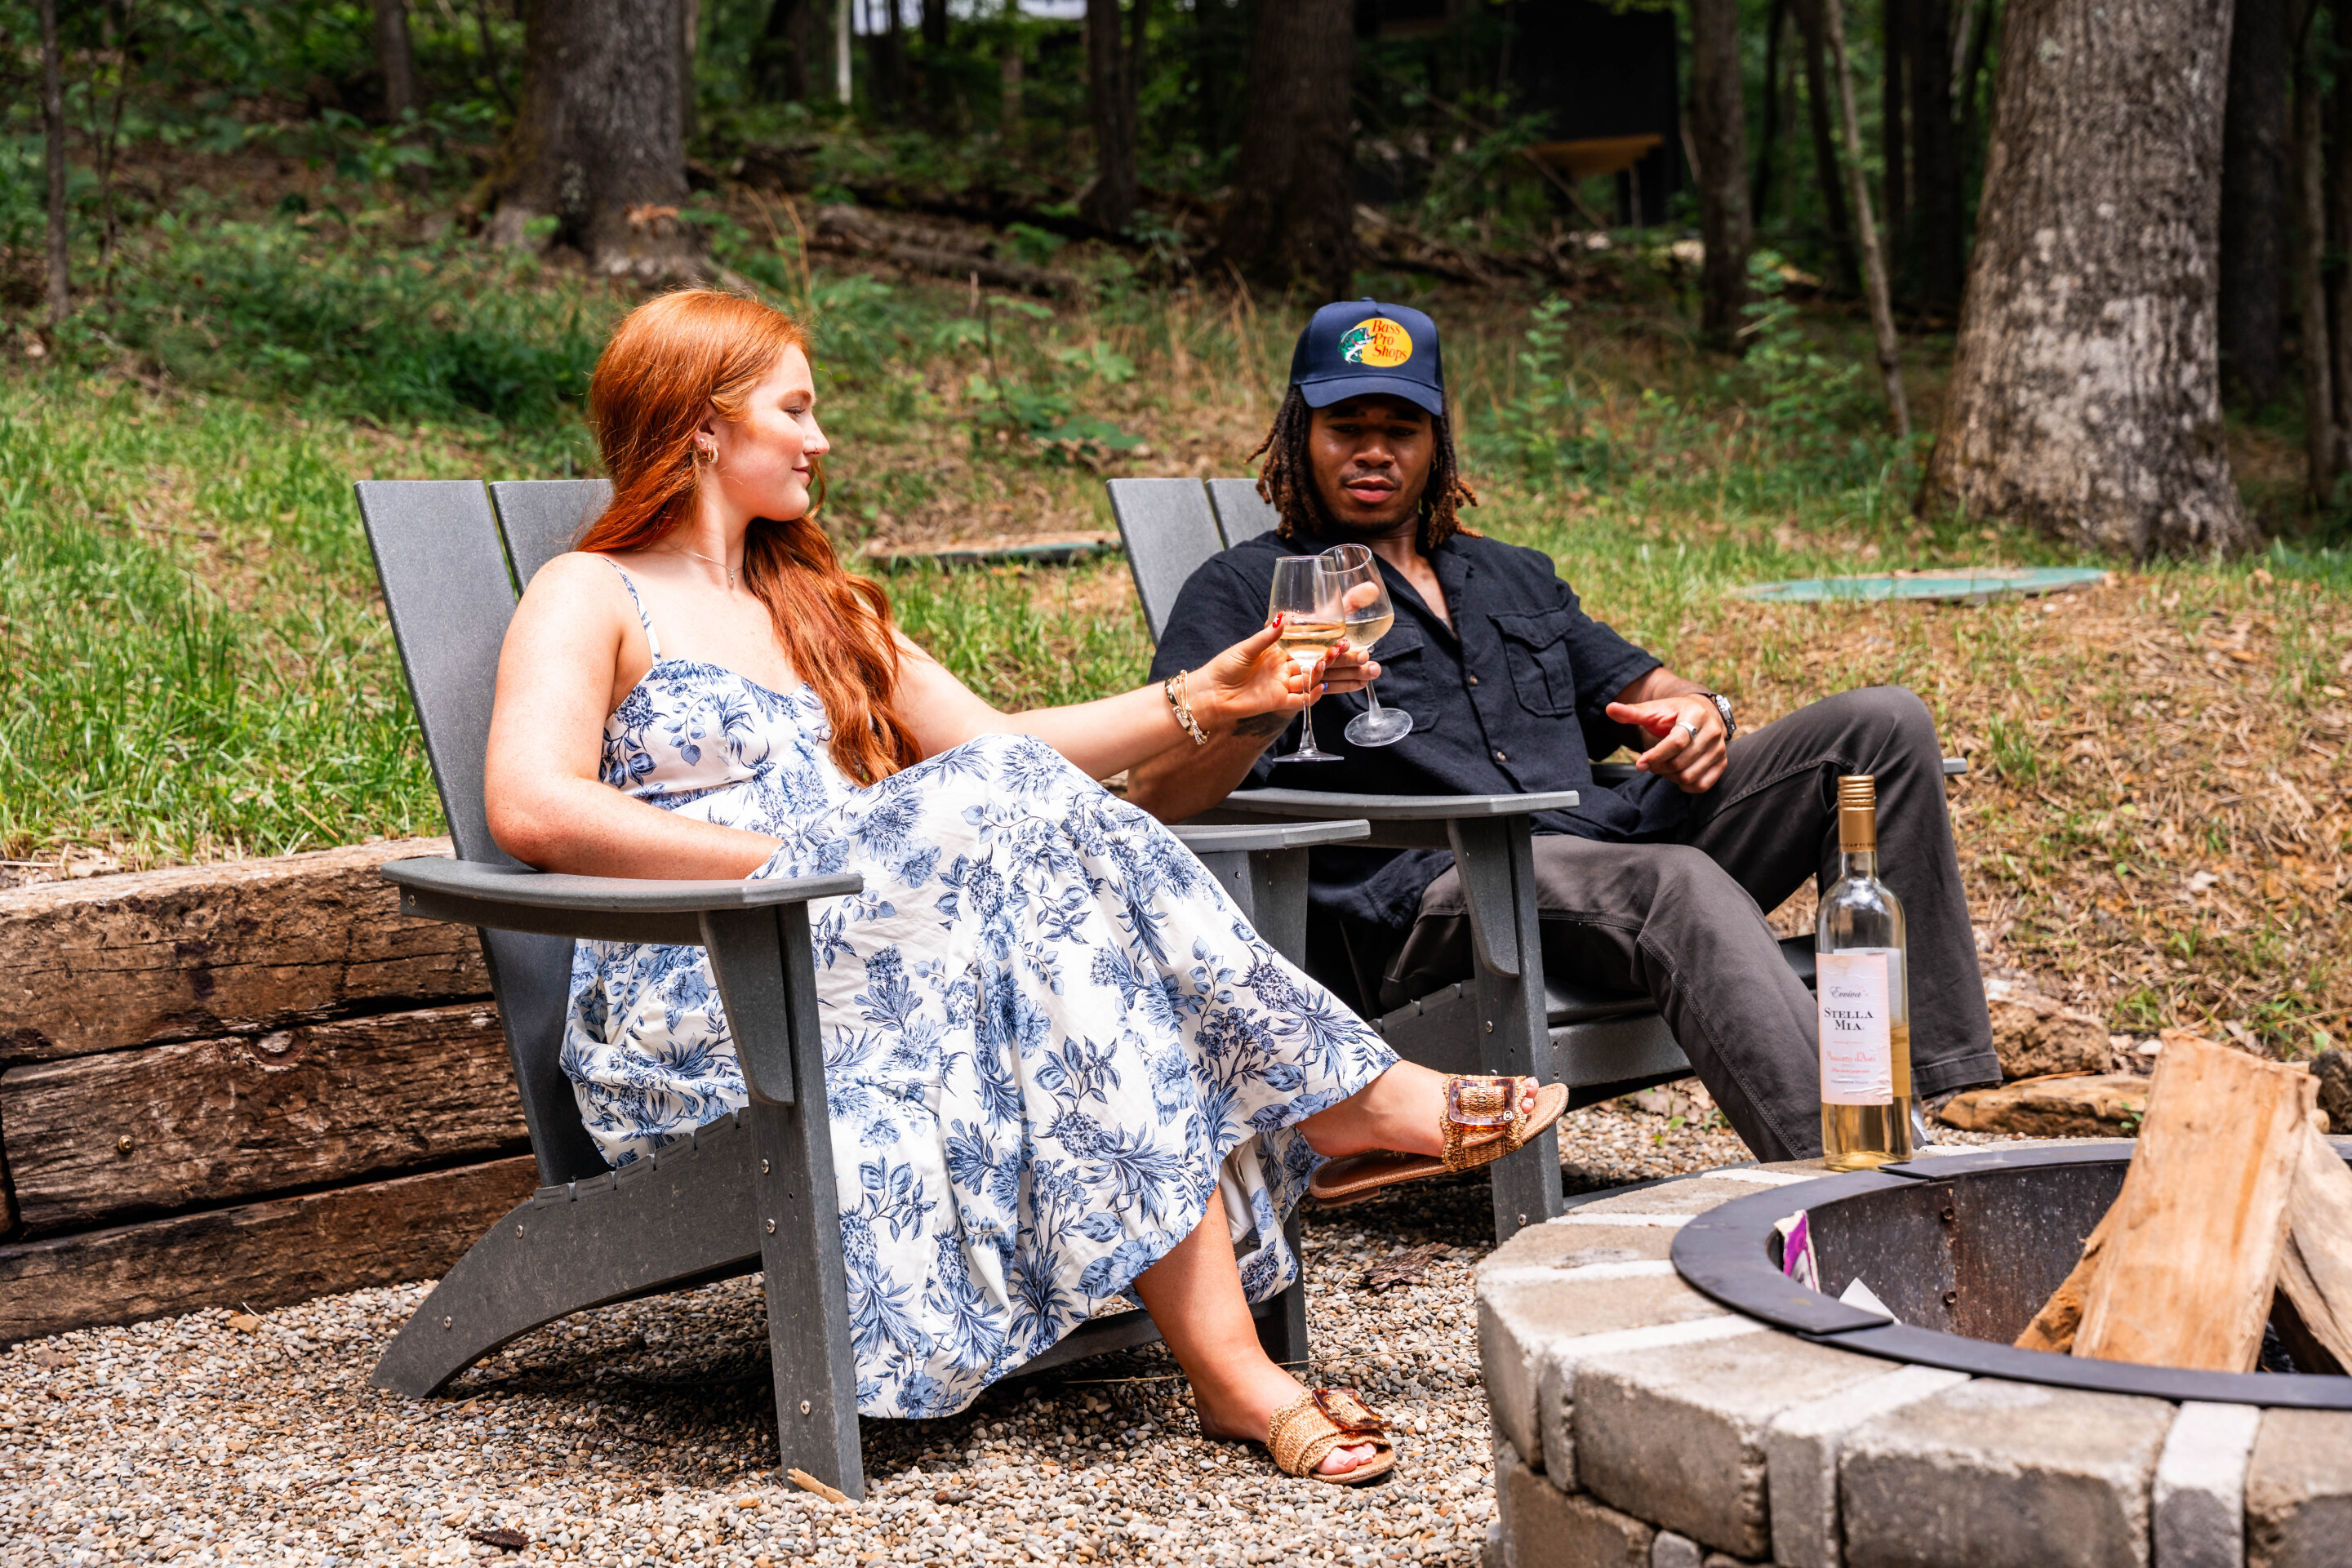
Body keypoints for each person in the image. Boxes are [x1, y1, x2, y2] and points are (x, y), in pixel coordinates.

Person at [482, 289, 1571, 1486]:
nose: (819, 439)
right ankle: (1337, 1097)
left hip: (880, 961)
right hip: (711, 989)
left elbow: (1007, 749)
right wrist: (810, 865)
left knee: (1076, 959)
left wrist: (1212, 693)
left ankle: (1236, 1376)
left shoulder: (815, 606)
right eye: (795, 409)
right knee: (1012, 838)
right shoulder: (592, 591)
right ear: (701, 422)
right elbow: (532, 805)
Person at [1130, 299, 1999, 1166]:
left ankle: (1927, 1102)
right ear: (1300, 434)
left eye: (1400, 428)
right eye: (1345, 426)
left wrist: (1701, 711)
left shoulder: (1511, 573)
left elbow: (1653, 689)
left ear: (1436, 444)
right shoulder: (1246, 588)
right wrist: (1267, 707)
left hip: (1610, 849)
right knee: (1675, 882)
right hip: (1443, 901)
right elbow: (1159, 792)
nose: (1373, 450)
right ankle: (1850, 1183)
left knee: (1882, 726)